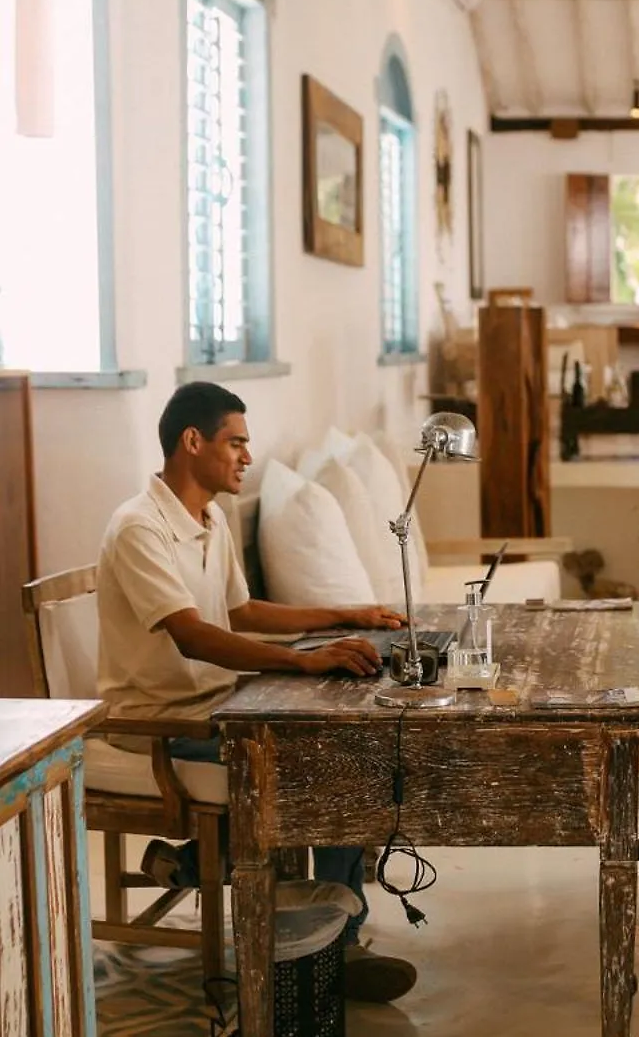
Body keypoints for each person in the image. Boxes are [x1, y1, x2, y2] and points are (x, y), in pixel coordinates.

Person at [97, 381, 416, 1003]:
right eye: (236, 443)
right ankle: (334, 944)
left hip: (221, 709)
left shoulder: (210, 517)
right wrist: (303, 662)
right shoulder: (138, 527)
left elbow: (240, 611)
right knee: (323, 771)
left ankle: (218, 875)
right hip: (162, 725)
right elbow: (193, 636)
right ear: (193, 441)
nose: (247, 456)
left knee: (344, 751)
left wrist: (346, 614)